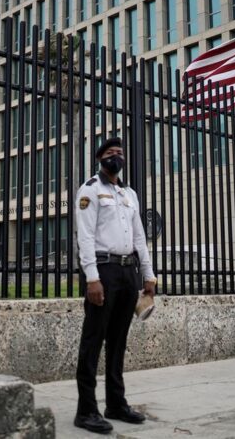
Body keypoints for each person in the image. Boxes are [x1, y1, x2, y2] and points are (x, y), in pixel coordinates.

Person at [74, 137, 157, 434]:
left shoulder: (129, 194)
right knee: (94, 339)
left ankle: (115, 403)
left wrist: (148, 275)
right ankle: (86, 410)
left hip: (128, 272)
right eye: (111, 153)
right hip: (104, 271)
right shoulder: (90, 190)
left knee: (119, 341)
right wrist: (92, 278)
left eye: (120, 153)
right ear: (100, 158)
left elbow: (138, 238)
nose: (117, 157)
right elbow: (84, 237)